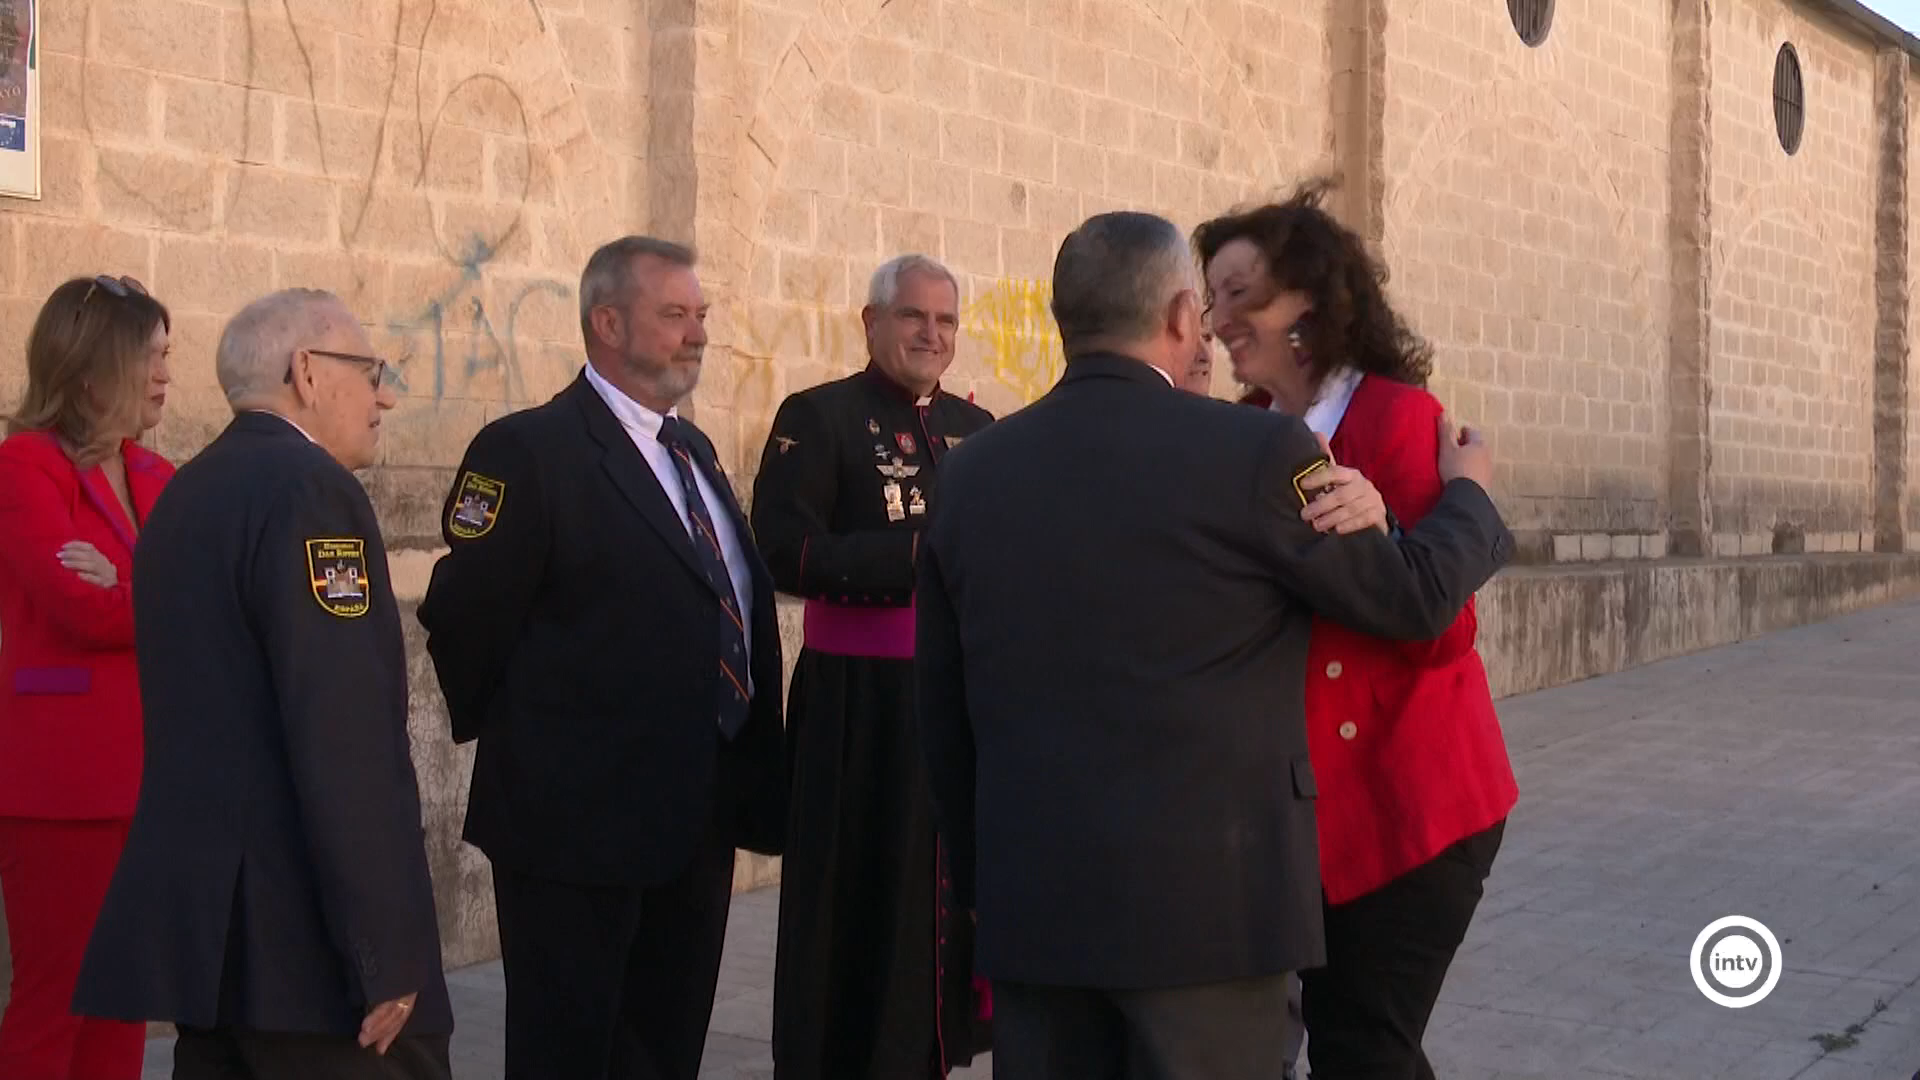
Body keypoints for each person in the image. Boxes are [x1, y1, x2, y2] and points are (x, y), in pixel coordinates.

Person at [914, 210, 1515, 1079]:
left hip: (1036, 907)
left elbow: (944, 712)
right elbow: (1412, 598)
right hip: (1212, 917)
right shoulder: (1260, 451)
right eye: (1210, 301)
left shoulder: (970, 471)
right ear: (1178, 316)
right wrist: (1471, 500)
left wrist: (985, 890)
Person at [417, 236, 787, 1080]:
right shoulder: (528, 451)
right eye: (675, 315)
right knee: (570, 1053)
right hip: (573, 830)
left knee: (664, 1051)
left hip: (695, 818)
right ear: (608, 323)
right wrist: (535, 743)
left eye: (701, 316)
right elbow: (464, 616)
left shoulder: (694, 453)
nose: (698, 334)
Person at [71, 288, 453, 1078]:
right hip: (308, 959)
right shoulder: (312, 491)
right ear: (306, 372)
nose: (383, 396)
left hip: (218, 948)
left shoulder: (188, 490)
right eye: (370, 371)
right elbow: (342, 735)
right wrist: (385, 949)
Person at [1197, 181, 1519, 1079]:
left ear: (1306, 298)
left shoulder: (1398, 417)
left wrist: (1385, 531)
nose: (1218, 320)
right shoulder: (1245, 430)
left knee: (1364, 1047)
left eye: (1239, 293)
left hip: (1409, 801)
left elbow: (1441, 630)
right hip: (1300, 813)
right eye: (1211, 297)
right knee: (1355, 1047)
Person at [751, 253, 995, 1080]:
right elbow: (781, 549)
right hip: (858, 710)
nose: (932, 333)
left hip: (953, 700)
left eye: (946, 320)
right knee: (857, 904)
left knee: (938, 901)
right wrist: (916, 558)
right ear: (872, 322)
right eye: (913, 316)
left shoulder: (978, 429)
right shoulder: (819, 417)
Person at [0, 275, 174, 1080]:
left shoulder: (157, 474)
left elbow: (212, 603)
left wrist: (127, 586)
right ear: (92, 369)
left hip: (154, 778)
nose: (166, 375)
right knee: (58, 999)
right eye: (150, 357)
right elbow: (78, 610)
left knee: (124, 996)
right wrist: (154, 595)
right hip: (63, 784)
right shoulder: (24, 468)